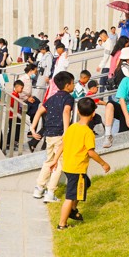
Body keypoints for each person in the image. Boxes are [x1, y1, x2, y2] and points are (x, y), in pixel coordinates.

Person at [56, 97, 110, 230]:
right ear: (93, 114)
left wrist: (54, 159)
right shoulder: (88, 132)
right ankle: (62, 224)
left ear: (78, 112)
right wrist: (103, 164)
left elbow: (63, 143)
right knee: (70, 196)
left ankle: (73, 209)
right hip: (76, 168)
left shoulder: (72, 127)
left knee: (86, 183)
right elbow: (91, 152)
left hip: (68, 165)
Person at [30, 71, 75, 203]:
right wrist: (67, 131)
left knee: (49, 161)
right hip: (60, 134)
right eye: (72, 83)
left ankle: (38, 188)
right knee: (59, 163)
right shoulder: (68, 98)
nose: (73, 85)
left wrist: (33, 128)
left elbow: (39, 111)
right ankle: (50, 192)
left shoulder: (52, 98)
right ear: (67, 85)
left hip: (49, 134)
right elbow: (66, 111)